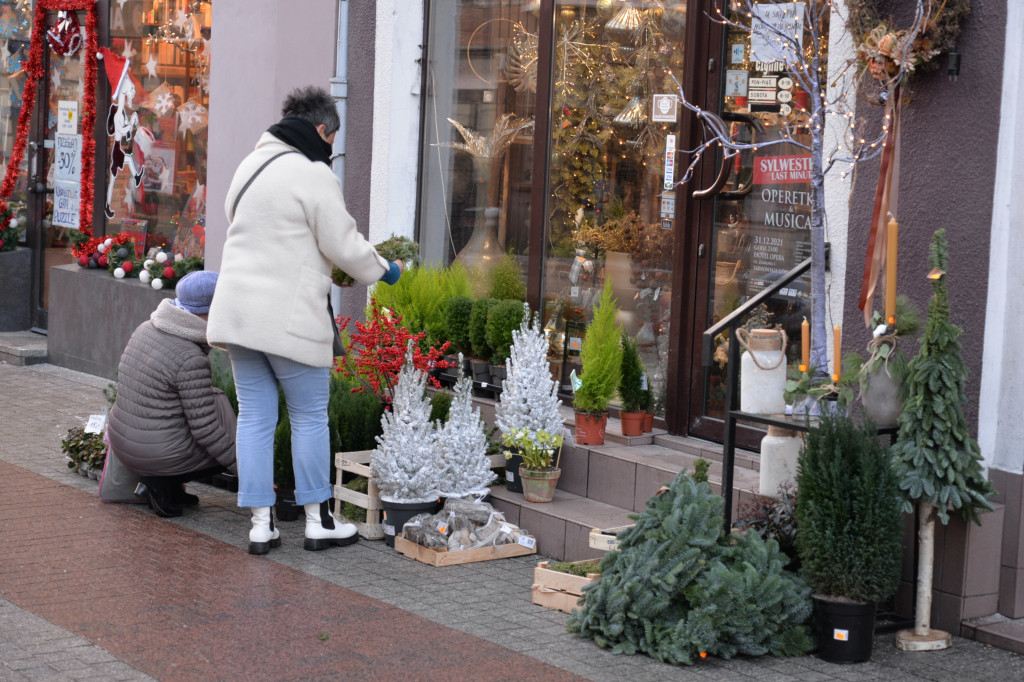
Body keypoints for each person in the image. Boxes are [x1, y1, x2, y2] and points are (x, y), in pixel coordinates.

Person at [207, 86, 404, 556]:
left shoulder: (249, 165)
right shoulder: (314, 174)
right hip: (289, 318)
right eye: (332, 138)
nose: (331, 148)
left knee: (255, 417)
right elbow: (343, 242)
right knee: (309, 416)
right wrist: (384, 269)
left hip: (239, 315)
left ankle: (260, 525)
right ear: (320, 130)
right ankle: (319, 522)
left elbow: (245, 224)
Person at [107, 270, 237, 518]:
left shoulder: (147, 327)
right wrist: (247, 468)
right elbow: (207, 431)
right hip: (153, 455)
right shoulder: (190, 358)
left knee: (210, 400)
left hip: (123, 445)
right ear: (210, 311)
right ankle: (160, 485)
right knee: (221, 428)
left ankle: (171, 488)